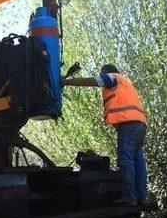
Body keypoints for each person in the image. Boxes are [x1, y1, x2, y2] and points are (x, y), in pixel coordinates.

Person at [63, 64, 147, 206]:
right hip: (139, 123)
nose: (101, 76)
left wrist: (67, 81)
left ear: (106, 72)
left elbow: (95, 81)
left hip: (128, 124)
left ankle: (129, 197)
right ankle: (140, 196)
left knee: (125, 159)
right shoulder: (125, 82)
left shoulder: (112, 77)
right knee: (137, 160)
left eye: (102, 73)